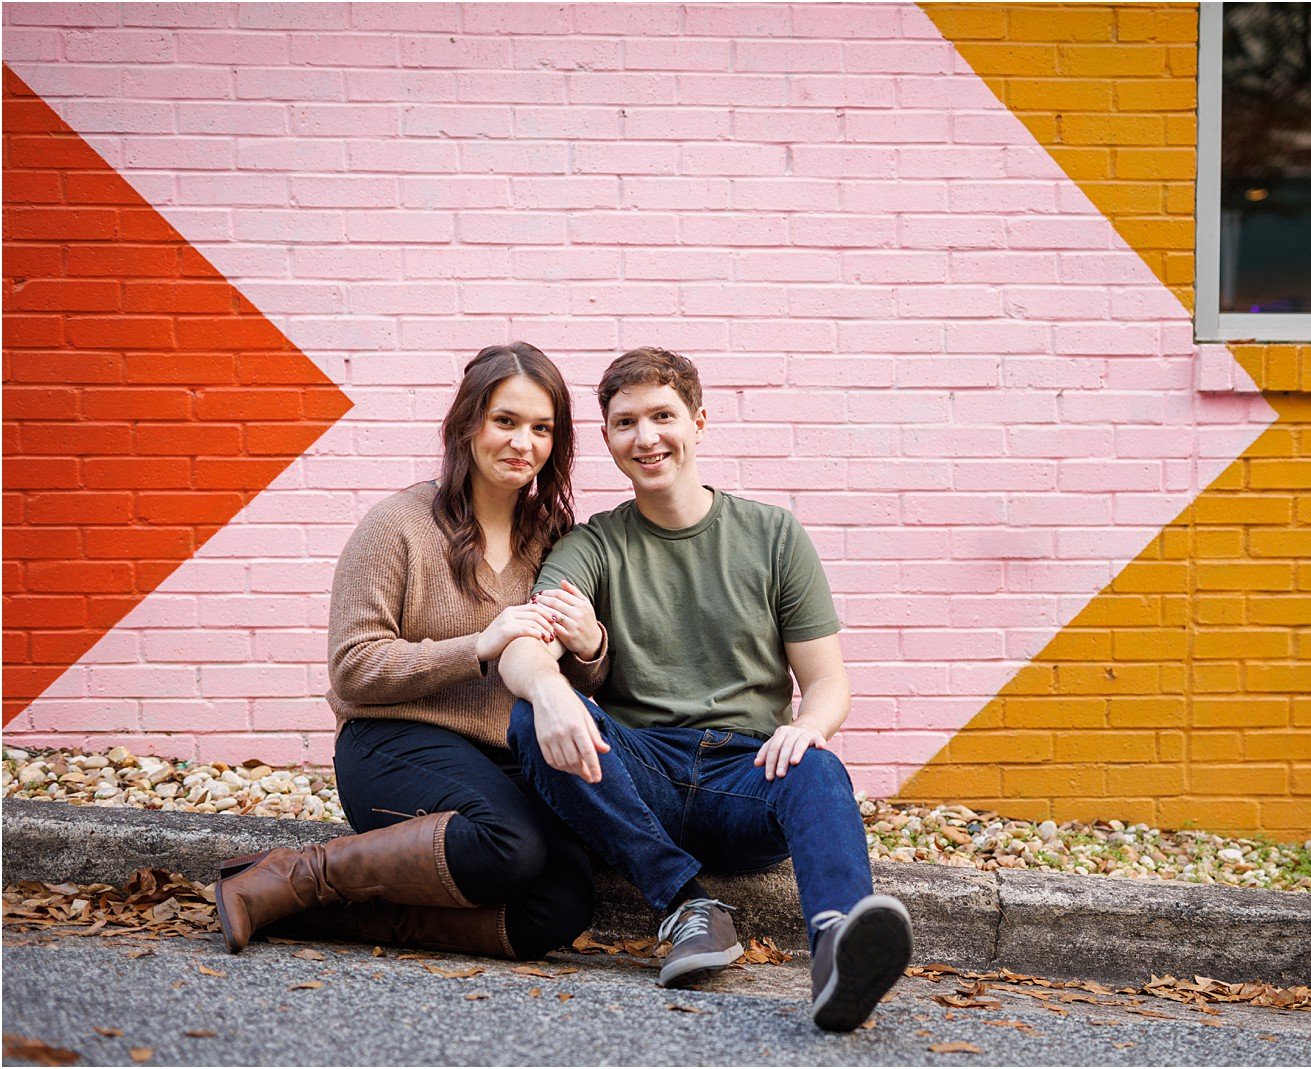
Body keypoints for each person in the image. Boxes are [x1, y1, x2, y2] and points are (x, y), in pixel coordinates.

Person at [498, 346, 912, 1033]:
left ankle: (839, 950)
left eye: (663, 415)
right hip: (640, 775)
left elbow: (827, 681)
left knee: (817, 765)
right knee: (530, 716)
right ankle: (687, 904)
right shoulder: (592, 545)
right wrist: (548, 689)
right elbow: (523, 645)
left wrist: (809, 727)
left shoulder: (773, 535)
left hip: (746, 773)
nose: (646, 437)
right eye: (626, 422)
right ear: (608, 439)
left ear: (698, 422)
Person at [214, 342, 609, 961]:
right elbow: (353, 668)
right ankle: (300, 872)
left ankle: (294, 906)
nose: (522, 443)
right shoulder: (395, 525)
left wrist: (590, 649)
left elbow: (574, 679)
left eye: (542, 429)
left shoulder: (552, 538)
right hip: (390, 741)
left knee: (563, 901)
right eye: (505, 422)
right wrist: (477, 645)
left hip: (504, 758)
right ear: (467, 423)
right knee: (510, 844)